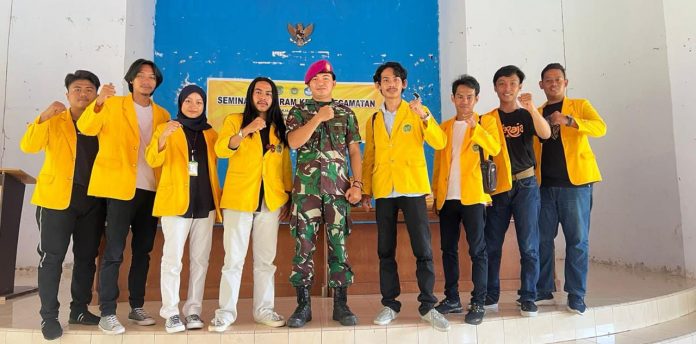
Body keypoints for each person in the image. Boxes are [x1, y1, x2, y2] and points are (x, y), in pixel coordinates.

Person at [77, 59, 170, 334]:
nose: (146, 80)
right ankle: (107, 311)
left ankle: (137, 306)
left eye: (151, 76)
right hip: (120, 188)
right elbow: (87, 128)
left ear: (156, 82)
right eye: (140, 75)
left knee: (143, 251)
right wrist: (98, 102)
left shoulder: (163, 115)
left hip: (151, 189)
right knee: (114, 252)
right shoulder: (113, 104)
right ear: (131, 80)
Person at [361, 61, 449, 331]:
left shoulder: (417, 112)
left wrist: (424, 116)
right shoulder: (374, 119)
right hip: (385, 191)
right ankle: (390, 303)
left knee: (422, 249)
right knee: (385, 250)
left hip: (411, 188)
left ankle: (428, 305)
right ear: (378, 86)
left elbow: (439, 142)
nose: (391, 84)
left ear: (404, 84)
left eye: (396, 79)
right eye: (385, 80)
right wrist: (366, 190)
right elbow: (370, 157)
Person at [20, 70, 105, 340]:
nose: (83, 93)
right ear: (68, 94)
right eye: (77, 89)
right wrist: (42, 117)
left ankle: (79, 309)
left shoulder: (103, 122)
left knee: (86, 258)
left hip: (92, 200)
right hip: (56, 199)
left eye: (89, 89)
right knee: (52, 258)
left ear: (96, 95)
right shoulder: (54, 120)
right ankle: (49, 317)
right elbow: (28, 146)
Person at [208, 77, 292, 332]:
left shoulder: (279, 127)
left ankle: (263, 309)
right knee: (233, 259)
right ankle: (225, 313)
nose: (263, 97)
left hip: (271, 200)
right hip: (239, 199)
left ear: (274, 98)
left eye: (268, 93)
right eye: (258, 92)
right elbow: (223, 149)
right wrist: (246, 130)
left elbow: (284, 163)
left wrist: (287, 194)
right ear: (250, 95)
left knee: (266, 261)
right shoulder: (235, 119)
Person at [285, 59, 362, 328]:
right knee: (303, 248)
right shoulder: (298, 111)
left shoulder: (346, 113)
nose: (321, 83)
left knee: (339, 247)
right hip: (306, 192)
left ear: (333, 83)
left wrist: (358, 184)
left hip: (339, 192)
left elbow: (354, 151)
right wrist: (318, 117)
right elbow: (293, 143)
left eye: (326, 79)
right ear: (308, 85)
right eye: (315, 80)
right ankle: (303, 306)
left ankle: (341, 304)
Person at [145, 84, 221, 333]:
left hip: (205, 204)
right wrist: (164, 136)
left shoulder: (210, 133)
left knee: (200, 260)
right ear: (180, 103)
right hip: (175, 203)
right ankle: (171, 313)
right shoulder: (167, 128)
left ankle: (194, 310)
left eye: (199, 102)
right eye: (188, 101)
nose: (193, 106)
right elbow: (152, 159)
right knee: (172, 260)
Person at [535, 63, 606, 315]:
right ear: (541, 84)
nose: (553, 84)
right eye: (548, 80)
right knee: (542, 239)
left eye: (558, 79)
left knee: (577, 241)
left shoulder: (579, 105)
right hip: (545, 186)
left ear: (565, 82)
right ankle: (543, 289)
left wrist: (570, 120)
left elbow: (600, 127)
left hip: (576, 185)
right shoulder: (538, 111)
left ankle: (576, 295)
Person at [431, 74, 501, 325]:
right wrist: (436, 195)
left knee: (478, 251)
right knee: (448, 249)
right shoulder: (444, 127)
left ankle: (478, 301)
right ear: (452, 98)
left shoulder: (487, 122)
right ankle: (452, 298)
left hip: (473, 197)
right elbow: (439, 163)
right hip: (448, 198)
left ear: (477, 98)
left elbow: (495, 148)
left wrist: (475, 127)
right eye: (459, 96)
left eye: (469, 97)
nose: (464, 101)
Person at [483, 65, 551, 317]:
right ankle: (491, 295)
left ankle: (528, 297)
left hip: (526, 185)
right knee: (492, 244)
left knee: (529, 245)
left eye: (512, 83)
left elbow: (545, 134)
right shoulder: (488, 119)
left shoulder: (526, 116)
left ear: (520, 86)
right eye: (502, 83)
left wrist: (532, 108)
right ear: (495, 88)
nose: (507, 88)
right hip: (498, 186)